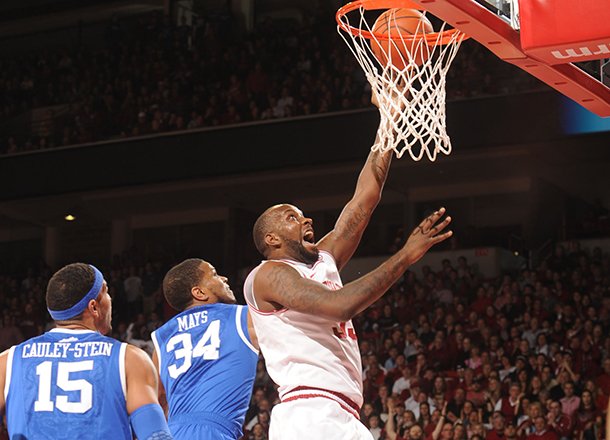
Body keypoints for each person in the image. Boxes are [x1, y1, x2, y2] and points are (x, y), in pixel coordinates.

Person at [244, 114, 453, 439]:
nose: (305, 219)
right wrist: (406, 255)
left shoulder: (323, 259)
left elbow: (365, 197)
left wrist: (389, 122)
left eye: (302, 215)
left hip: (343, 414)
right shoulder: (267, 276)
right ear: (272, 240)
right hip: (309, 413)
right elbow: (341, 305)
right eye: (291, 218)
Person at [0, 263, 171, 439]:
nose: (110, 300)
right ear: (94, 307)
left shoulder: (8, 361)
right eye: (106, 292)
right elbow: (155, 435)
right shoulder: (130, 359)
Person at [151, 258, 259, 439]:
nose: (224, 278)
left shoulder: (161, 340)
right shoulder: (242, 317)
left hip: (172, 431)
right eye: (215, 274)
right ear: (199, 292)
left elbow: (158, 402)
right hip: (213, 431)